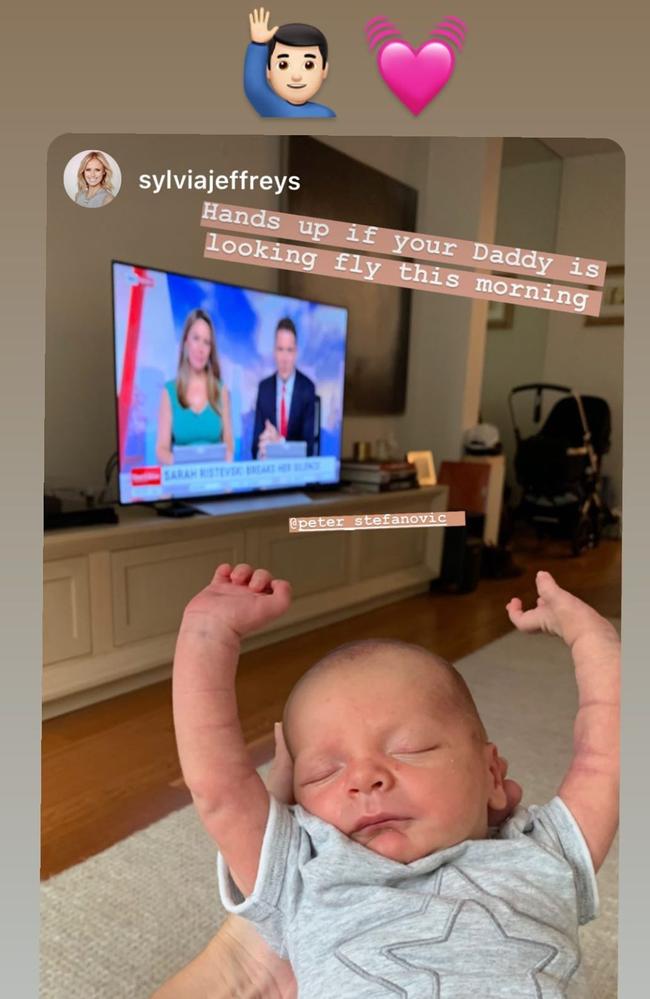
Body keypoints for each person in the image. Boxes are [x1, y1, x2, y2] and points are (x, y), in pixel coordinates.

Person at [171, 565, 619, 996]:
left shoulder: (543, 854)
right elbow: (218, 784)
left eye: (411, 748)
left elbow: (609, 756)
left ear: (491, 776)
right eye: (324, 771)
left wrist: (590, 635)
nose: (365, 778)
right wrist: (207, 633)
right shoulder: (302, 869)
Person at [156, 309, 234, 465]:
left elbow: (229, 446)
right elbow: (161, 450)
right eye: (196, 338)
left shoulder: (221, 390)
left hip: (215, 483)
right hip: (182, 483)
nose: (201, 349)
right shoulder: (169, 392)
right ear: (186, 342)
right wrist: (187, 470)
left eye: (206, 342)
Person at [244, 8, 335, 118]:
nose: (296, 76)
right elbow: (255, 88)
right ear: (268, 70)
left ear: (324, 70)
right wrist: (258, 44)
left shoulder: (325, 114)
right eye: (283, 65)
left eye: (309, 65)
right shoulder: (274, 108)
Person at [252, 317, 316, 459]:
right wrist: (261, 450)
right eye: (280, 349)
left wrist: (279, 443)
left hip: (298, 477)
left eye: (289, 350)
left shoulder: (307, 389)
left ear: (296, 353)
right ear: (274, 351)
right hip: (268, 474)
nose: (284, 358)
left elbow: (309, 450)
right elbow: (254, 446)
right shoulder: (264, 388)